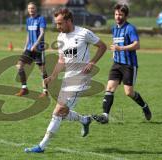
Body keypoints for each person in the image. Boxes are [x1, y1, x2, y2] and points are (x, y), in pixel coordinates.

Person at [24, 8, 107, 153]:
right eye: (56, 23)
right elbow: (62, 60)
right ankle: (84, 120)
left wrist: (92, 62)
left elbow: (102, 46)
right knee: (62, 111)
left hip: (81, 78)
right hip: (68, 77)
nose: (58, 27)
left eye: (60, 23)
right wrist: (53, 76)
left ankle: (41, 146)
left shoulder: (84, 33)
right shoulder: (61, 37)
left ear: (69, 21)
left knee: (58, 111)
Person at [94, 4, 152, 124]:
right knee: (109, 88)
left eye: (120, 14)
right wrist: (115, 50)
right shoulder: (114, 28)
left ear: (125, 15)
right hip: (116, 64)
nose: (118, 16)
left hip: (129, 65)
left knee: (129, 92)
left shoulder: (130, 28)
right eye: (116, 14)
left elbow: (137, 45)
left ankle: (144, 106)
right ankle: (105, 116)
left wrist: (120, 49)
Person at [15, 2, 48, 97]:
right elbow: (28, 34)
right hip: (29, 48)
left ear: (36, 9)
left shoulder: (41, 19)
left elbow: (42, 33)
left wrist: (36, 44)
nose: (31, 10)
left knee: (42, 71)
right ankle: (24, 88)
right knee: (19, 66)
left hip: (39, 49)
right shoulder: (28, 20)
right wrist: (26, 46)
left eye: (32, 8)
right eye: (29, 8)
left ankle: (45, 91)